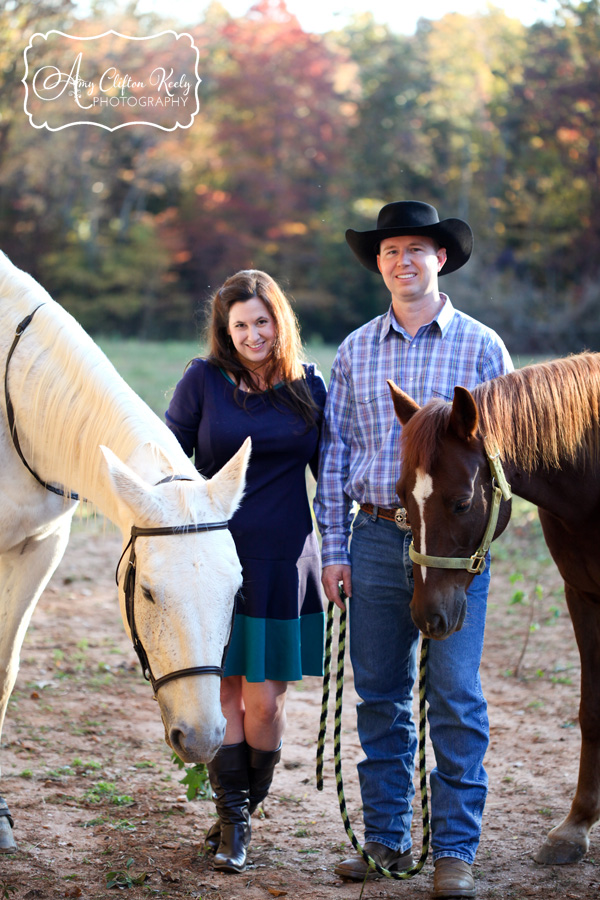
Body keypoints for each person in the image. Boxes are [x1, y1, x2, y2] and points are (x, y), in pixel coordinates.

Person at [314, 202, 513, 899]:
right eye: (391, 250)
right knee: (381, 695)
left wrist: (478, 543)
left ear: (441, 260)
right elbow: (335, 456)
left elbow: (503, 464)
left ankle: (454, 851)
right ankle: (388, 841)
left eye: (417, 250)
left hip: (455, 550)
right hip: (374, 537)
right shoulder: (355, 351)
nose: (404, 261)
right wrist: (334, 550)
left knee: (454, 692)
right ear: (378, 264)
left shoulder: (484, 350)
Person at [166, 269, 327, 875]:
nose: (253, 334)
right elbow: (165, 455)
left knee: (265, 701)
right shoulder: (202, 381)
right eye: (240, 325)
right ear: (224, 331)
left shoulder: (309, 387)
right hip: (215, 561)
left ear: (279, 321)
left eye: (262, 321)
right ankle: (235, 821)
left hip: (284, 559)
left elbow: (331, 478)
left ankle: (241, 810)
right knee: (226, 690)